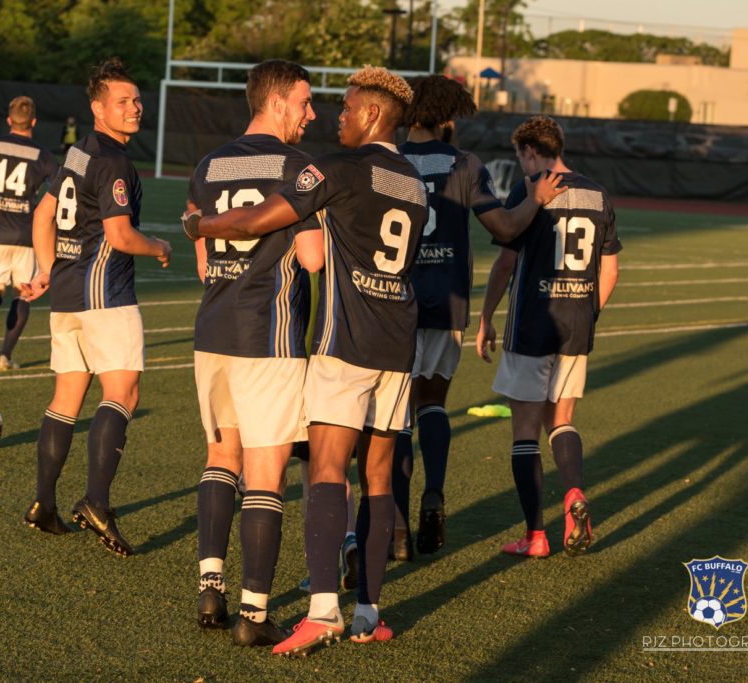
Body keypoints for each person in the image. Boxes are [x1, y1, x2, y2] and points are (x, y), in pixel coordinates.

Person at [184, 65, 428, 656]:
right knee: (377, 475)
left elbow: (261, 222)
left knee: (320, 469)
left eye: (343, 108)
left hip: (328, 341)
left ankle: (317, 610)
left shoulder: (331, 168)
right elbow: (336, 254)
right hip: (397, 338)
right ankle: (368, 610)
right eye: (317, 104)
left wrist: (200, 224)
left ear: (370, 115)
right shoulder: (416, 182)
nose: (329, 116)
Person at [392, 76, 565, 559]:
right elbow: (506, 225)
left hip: (395, 299)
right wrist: (537, 200)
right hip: (445, 300)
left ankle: (398, 525)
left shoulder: (390, 159)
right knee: (433, 404)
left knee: (396, 416)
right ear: (447, 117)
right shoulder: (466, 164)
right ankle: (435, 495)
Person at [186, 59, 322, 648]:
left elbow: (201, 259)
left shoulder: (208, 163)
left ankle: (210, 586)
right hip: (269, 333)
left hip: (213, 329)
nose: (311, 114)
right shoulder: (299, 168)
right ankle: (255, 614)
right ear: (275, 102)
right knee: (266, 474)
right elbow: (313, 259)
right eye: (305, 102)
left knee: (222, 457)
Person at [21, 58, 172, 557]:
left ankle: (44, 504)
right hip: (104, 293)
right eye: (123, 102)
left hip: (66, 293)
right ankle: (97, 503)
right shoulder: (112, 160)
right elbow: (120, 235)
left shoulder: (77, 153)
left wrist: (46, 269)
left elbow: (44, 214)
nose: (135, 108)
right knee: (123, 394)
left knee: (67, 397)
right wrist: (159, 247)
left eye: (136, 99)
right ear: (97, 108)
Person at [477, 115, 621, 559]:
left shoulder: (530, 188)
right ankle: (575, 492)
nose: (522, 166)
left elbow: (505, 263)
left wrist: (485, 316)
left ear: (531, 152)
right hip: (575, 324)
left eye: (522, 157)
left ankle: (536, 535)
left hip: (532, 325)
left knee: (524, 430)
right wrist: (587, 311)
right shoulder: (598, 192)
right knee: (561, 420)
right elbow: (610, 268)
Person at [0, 95, 59, 370]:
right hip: (26, 234)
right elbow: (60, 191)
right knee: (25, 293)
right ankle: (5, 354)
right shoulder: (43, 155)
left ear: (9, 120)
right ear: (34, 122)